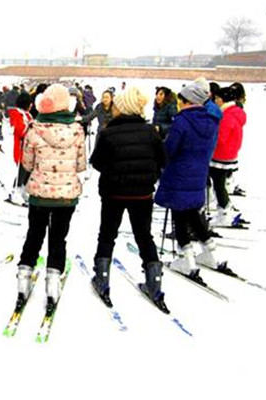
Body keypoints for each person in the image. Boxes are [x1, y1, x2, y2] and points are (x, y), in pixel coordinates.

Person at [89, 87, 168, 312]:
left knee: (107, 234)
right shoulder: (150, 132)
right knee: (144, 236)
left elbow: (97, 162)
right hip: (142, 193)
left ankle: (102, 278)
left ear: (123, 108)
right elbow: (163, 160)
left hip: (113, 192)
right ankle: (154, 282)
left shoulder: (108, 133)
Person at [16, 84, 86, 310]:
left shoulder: (34, 128)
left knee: (34, 234)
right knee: (58, 237)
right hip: (66, 195)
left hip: (39, 194)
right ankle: (53, 283)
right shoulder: (77, 130)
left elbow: (27, 163)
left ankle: (23, 279)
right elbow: (81, 165)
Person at [154, 80, 230, 283]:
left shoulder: (182, 121)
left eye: (182, 100)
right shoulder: (211, 120)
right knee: (192, 213)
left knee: (179, 214)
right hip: (198, 174)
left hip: (179, 173)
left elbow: (170, 149)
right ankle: (210, 251)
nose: (179, 104)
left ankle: (186, 258)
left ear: (188, 101)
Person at [209, 87, 247, 227]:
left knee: (218, 185)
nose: (215, 101)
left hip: (221, 155)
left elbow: (220, 138)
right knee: (220, 184)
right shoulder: (235, 113)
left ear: (222, 99)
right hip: (230, 154)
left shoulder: (226, 116)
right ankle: (225, 209)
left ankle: (224, 212)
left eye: (217, 98)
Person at [7, 92, 33, 204]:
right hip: (21, 147)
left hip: (29, 147)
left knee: (28, 170)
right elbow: (20, 130)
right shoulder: (17, 114)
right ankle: (15, 191)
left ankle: (23, 190)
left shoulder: (27, 114)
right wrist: (29, 127)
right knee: (21, 171)